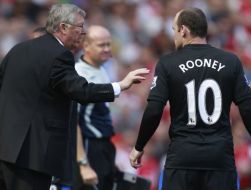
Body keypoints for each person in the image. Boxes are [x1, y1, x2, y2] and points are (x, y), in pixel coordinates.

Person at [0, 3, 149, 190]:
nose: (83, 32)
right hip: (32, 155)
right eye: (80, 27)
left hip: (5, 148)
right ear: (63, 27)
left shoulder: (17, 50)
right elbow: (81, 91)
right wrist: (120, 86)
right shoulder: (59, 54)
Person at [129, 7, 251, 190]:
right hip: (219, 158)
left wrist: (139, 146)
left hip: (182, 158)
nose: (174, 36)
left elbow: (154, 109)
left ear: (184, 30)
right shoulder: (230, 61)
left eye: (174, 30)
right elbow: (248, 108)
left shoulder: (167, 63)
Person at [73, 25, 117, 190]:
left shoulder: (101, 69)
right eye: (101, 45)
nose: (107, 49)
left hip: (103, 144)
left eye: (108, 44)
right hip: (89, 146)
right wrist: (83, 163)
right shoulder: (79, 74)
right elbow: (73, 121)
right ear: (86, 46)